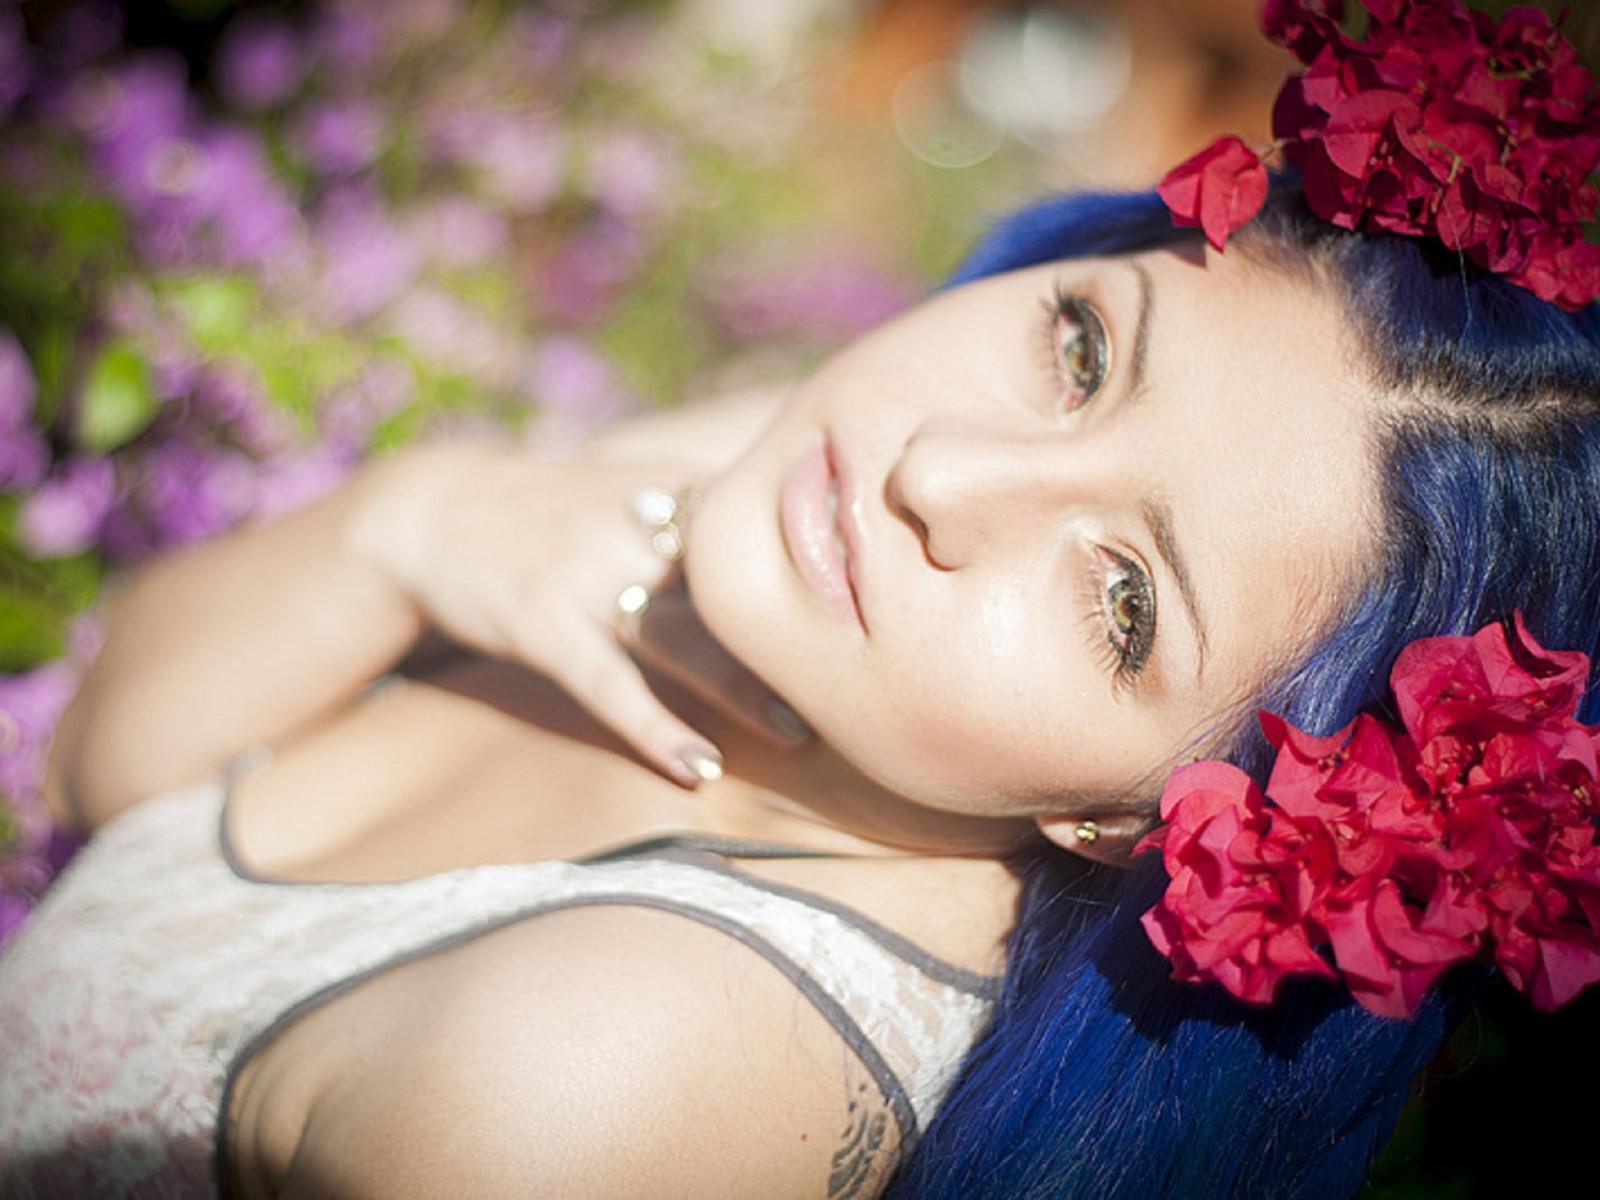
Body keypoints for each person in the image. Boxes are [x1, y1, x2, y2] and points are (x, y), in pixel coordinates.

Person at [4, 7, 1600, 1198]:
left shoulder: (598, 1077)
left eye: (1122, 601)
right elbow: (109, 769)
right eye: (1082, 348)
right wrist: (410, 520)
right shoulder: (791, 528)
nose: (948, 476)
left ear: (1151, 827)